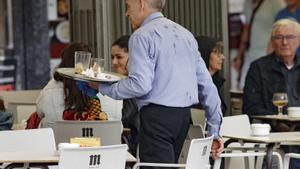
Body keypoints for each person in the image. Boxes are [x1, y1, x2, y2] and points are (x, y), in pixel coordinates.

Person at [93, 0, 223, 166]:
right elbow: (208, 87)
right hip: (183, 118)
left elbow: (140, 85)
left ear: (141, 3)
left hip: (156, 118)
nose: (126, 13)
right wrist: (214, 131)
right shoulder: (186, 35)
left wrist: (102, 86)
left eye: (127, 6)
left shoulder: (141, 36)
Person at [243, 19, 300, 168]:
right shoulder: (259, 68)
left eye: (289, 37)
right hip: (272, 137)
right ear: (272, 41)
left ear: (299, 40)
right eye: (279, 37)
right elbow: (251, 106)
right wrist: (276, 123)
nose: (284, 42)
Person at [36, 42, 106, 128]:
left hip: (57, 140)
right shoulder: (106, 91)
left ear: (63, 65)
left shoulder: (50, 90)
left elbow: (39, 112)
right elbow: (118, 128)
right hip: (98, 139)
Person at [234, 0, 285, 90]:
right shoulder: (247, 3)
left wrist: (273, 50)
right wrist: (239, 56)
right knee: (244, 88)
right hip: (250, 54)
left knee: (266, 89)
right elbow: (246, 29)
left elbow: (283, 27)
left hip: (267, 53)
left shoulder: (276, 2)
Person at [111, 35, 140, 157]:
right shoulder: (120, 83)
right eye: (112, 57)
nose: (114, 62)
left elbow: (124, 117)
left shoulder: (136, 83)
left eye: (119, 57)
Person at [194, 36, 227, 115]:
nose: (223, 57)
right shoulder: (194, 86)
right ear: (205, 55)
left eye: (221, 53)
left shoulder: (216, 82)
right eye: (217, 53)